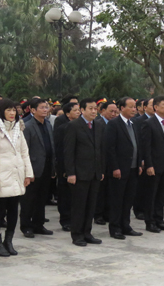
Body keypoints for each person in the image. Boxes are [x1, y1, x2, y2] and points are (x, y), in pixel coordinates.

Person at [0, 99, 34, 257]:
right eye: (9, 110)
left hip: (16, 175)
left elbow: (24, 152)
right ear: (1, 111)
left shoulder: (18, 128)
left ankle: (8, 241)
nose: (12, 113)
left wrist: (28, 174)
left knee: (13, 210)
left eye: (14, 110)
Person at [64, 98, 105, 246]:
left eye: (95, 108)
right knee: (79, 206)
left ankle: (87, 232)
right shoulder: (73, 126)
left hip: (94, 173)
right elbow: (68, 151)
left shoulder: (98, 125)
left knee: (91, 205)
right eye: (90, 109)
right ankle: (77, 235)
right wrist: (70, 173)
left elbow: (100, 150)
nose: (94, 111)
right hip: (79, 174)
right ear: (82, 110)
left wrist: (101, 170)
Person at [104, 97, 144, 239]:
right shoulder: (114, 124)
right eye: (131, 107)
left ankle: (125, 225)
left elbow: (138, 145)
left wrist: (139, 163)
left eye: (135, 107)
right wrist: (114, 167)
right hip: (119, 169)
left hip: (133, 168)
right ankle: (115, 228)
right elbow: (110, 148)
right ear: (122, 108)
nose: (134, 109)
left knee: (128, 199)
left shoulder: (134, 124)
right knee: (117, 199)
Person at [140, 96, 164, 233]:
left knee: (162, 195)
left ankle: (159, 220)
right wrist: (149, 165)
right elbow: (146, 147)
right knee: (151, 195)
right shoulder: (149, 123)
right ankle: (150, 222)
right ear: (156, 107)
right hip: (154, 165)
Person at [20, 99, 56, 238]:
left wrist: (53, 167)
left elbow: (51, 145)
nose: (45, 110)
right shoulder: (27, 126)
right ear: (33, 110)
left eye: (46, 107)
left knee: (42, 198)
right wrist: (27, 171)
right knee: (29, 199)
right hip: (33, 168)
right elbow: (25, 150)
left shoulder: (47, 124)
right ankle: (26, 226)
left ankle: (38, 224)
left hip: (46, 166)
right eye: (42, 107)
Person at [54, 101, 80, 232]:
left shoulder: (81, 126)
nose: (78, 112)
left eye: (79, 110)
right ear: (68, 113)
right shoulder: (62, 128)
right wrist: (64, 169)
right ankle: (65, 220)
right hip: (65, 167)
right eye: (75, 110)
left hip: (79, 166)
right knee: (65, 195)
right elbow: (60, 150)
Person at [94, 101, 118, 225]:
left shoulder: (116, 124)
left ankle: (108, 213)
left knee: (111, 190)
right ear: (102, 111)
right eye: (111, 111)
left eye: (116, 112)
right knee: (100, 191)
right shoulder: (98, 124)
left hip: (113, 162)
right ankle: (98, 214)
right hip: (101, 162)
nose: (113, 114)